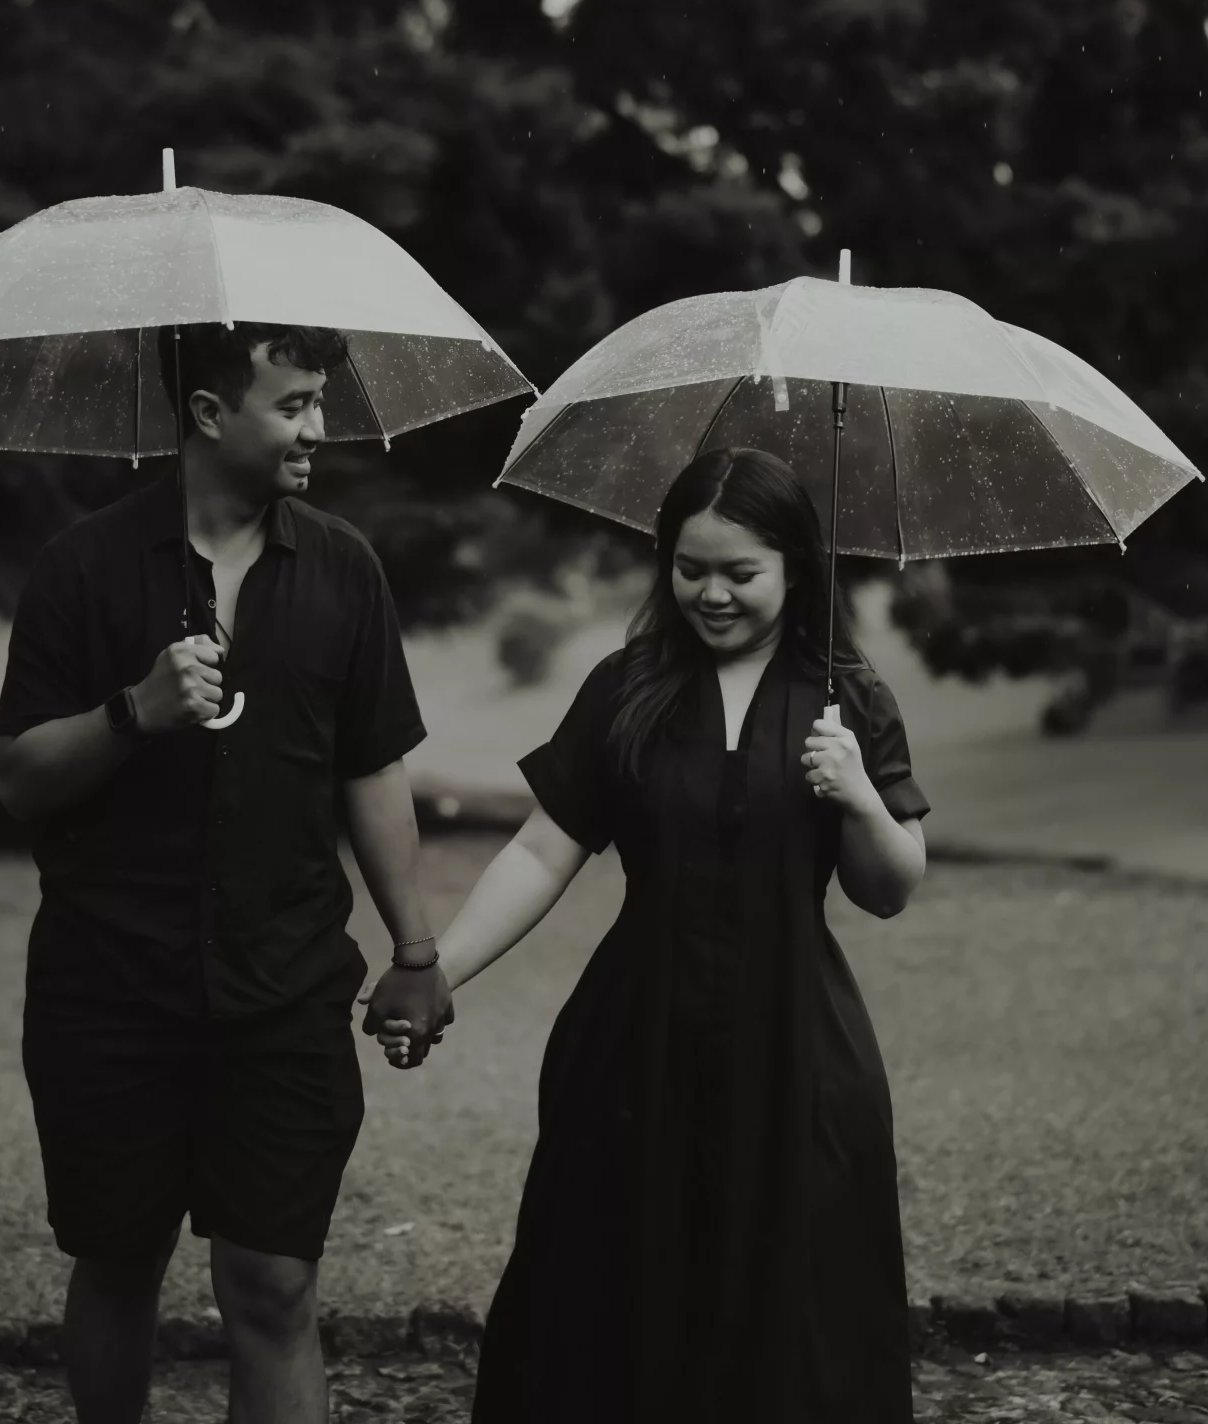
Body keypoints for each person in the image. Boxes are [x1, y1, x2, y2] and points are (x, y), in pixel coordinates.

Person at [376, 445, 928, 1424]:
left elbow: (888, 888)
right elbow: (543, 850)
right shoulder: (626, 685)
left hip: (796, 1048)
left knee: (793, 1305)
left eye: (740, 573)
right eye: (689, 568)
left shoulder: (846, 696)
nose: (711, 594)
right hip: (633, 1040)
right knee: (613, 1295)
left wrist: (858, 797)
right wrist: (436, 971)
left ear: (797, 567)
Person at [0, 322, 453, 1424]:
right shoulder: (82, 568)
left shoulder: (343, 567)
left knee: (275, 1283)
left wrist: (417, 951)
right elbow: (19, 778)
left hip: (285, 990)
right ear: (207, 414)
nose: (319, 428)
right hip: (108, 989)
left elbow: (372, 767)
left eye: (319, 402)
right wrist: (134, 710)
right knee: (118, 1263)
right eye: (293, 405)